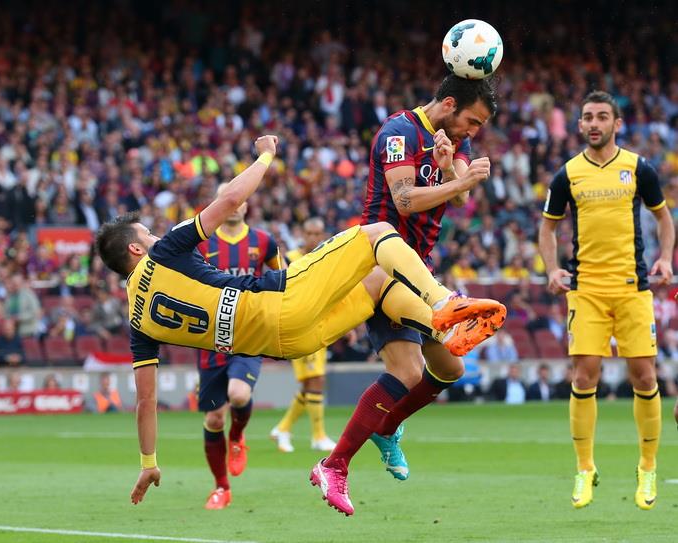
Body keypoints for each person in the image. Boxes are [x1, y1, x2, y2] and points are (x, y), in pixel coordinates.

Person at [94, 135, 505, 508]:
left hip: (288, 344)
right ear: (136, 249)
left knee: (378, 282)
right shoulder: (164, 252)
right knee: (376, 232)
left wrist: (148, 462)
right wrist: (265, 156)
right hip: (283, 300)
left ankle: (339, 462)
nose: (155, 235)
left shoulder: (137, 324)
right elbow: (230, 199)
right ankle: (445, 304)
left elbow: (145, 402)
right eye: (147, 234)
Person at [313, 74, 501, 513]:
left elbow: (457, 198)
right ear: (449, 104)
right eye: (472, 121)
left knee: (448, 367)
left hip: (417, 266)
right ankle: (334, 464)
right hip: (379, 264)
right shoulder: (399, 132)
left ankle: (386, 427)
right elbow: (403, 200)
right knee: (417, 365)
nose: (473, 132)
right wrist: (460, 181)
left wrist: (451, 169)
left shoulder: (455, 139)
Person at [538, 91, 674, 510]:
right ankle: (584, 469)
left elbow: (663, 218)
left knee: (645, 377)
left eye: (601, 117)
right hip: (587, 290)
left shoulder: (638, 168)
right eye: (587, 117)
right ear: (579, 125)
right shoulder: (567, 174)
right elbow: (547, 228)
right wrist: (552, 268)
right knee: (584, 377)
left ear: (617, 124)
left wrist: (666, 257)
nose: (593, 123)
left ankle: (647, 467)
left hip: (632, 287)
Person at [196, 182, 282, 510]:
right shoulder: (202, 243)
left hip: (248, 334)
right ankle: (222, 488)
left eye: (239, 199)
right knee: (214, 419)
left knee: (239, 395)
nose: (233, 205)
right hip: (210, 338)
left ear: (246, 205)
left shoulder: (264, 241)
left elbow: (282, 279)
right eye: (226, 199)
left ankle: (237, 436)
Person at [271, 217, 337, 453]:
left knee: (311, 382)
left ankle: (283, 428)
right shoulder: (289, 259)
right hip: (298, 325)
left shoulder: (326, 257)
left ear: (323, 235)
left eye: (317, 234)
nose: (313, 238)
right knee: (316, 380)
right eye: (309, 233)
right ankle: (318, 436)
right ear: (302, 234)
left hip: (319, 323)